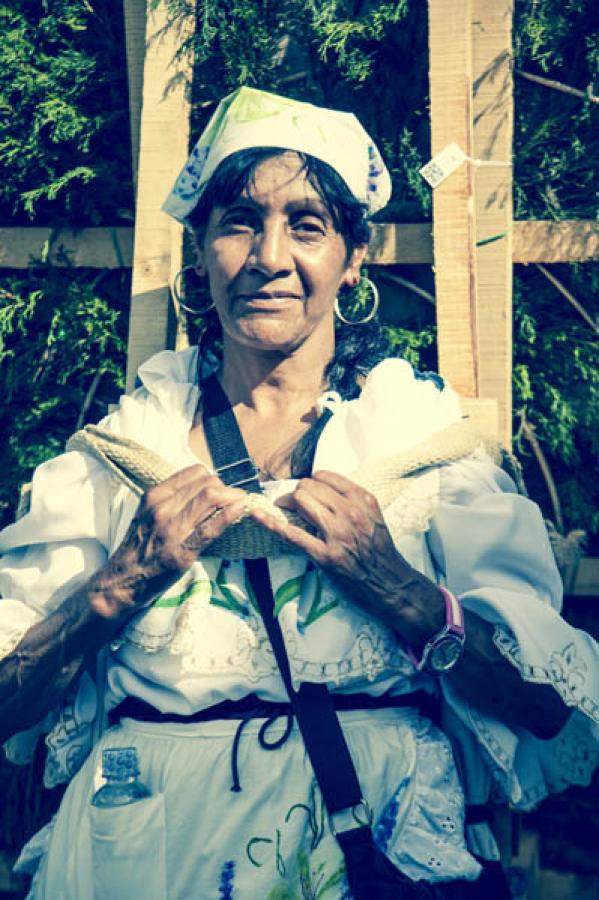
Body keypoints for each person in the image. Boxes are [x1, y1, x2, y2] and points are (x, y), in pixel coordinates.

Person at [0, 86, 597, 900]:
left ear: (354, 258)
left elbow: (547, 714)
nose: (268, 257)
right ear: (200, 252)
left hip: (377, 850)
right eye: (238, 222)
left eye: (307, 225)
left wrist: (403, 592)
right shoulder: (121, 455)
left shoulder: (425, 452)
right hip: (145, 859)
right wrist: (114, 588)